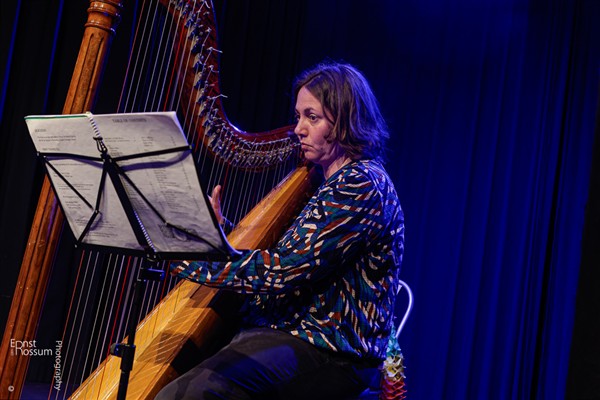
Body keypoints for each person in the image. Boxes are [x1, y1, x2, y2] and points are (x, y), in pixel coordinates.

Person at [155, 61, 405, 400]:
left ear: (345, 121)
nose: (298, 128)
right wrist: (219, 237)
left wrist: (193, 258)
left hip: (331, 351)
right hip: (293, 332)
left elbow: (285, 270)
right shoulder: (329, 182)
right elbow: (301, 254)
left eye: (312, 117)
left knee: (191, 393)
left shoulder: (360, 184)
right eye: (298, 116)